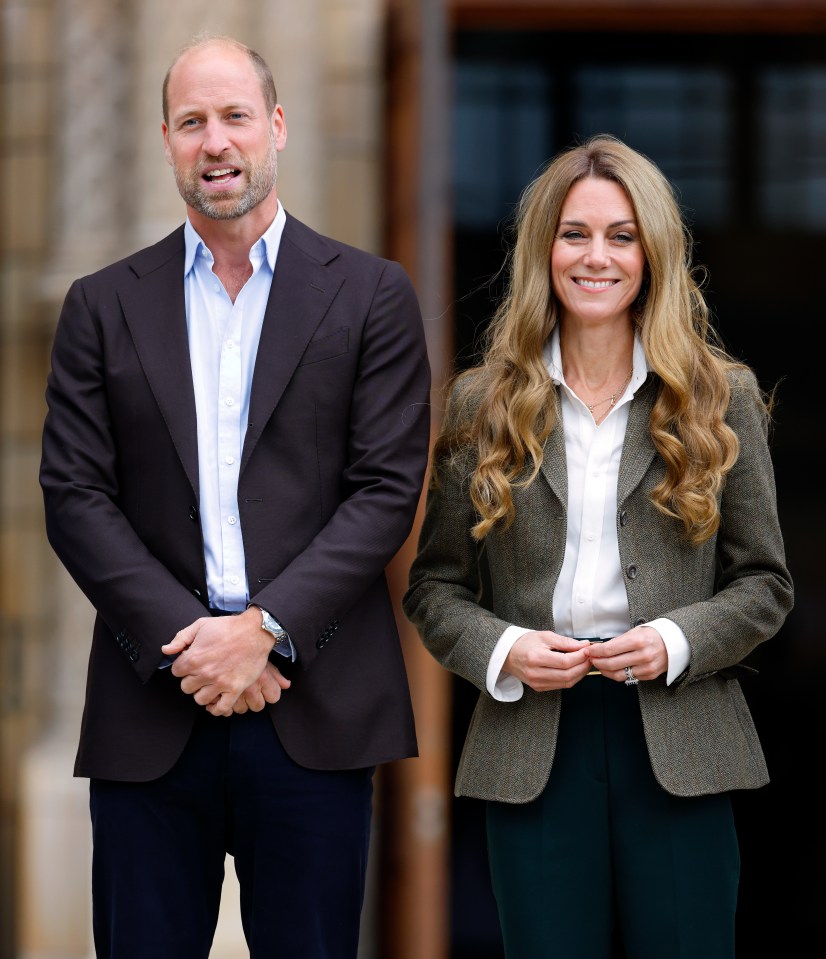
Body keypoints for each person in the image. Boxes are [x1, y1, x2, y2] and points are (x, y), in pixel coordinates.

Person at [39, 33, 431, 959]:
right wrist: (197, 644)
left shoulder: (372, 294)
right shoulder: (101, 304)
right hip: (152, 709)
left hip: (314, 703)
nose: (215, 142)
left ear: (277, 127)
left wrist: (262, 629)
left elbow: (385, 490)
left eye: (235, 117)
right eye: (191, 122)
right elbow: (74, 496)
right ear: (165, 141)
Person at [403, 134, 793, 959]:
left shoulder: (720, 397)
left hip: (683, 738)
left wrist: (675, 638)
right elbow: (434, 587)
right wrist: (505, 649)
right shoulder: (482, 404)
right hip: (532, 745)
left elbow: (764, 582)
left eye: (621, 236)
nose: (596, 257)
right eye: (574, 234)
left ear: (652, 254)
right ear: (543, 250)